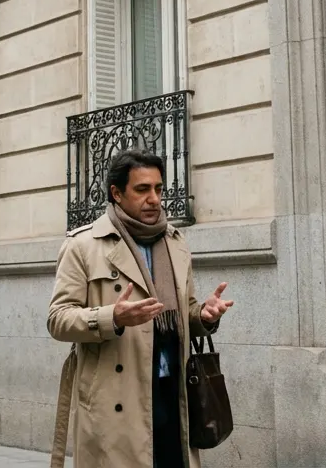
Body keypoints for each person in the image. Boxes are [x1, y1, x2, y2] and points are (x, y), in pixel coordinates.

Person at [47, 150, 234, 468]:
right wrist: (112, 317)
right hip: (116, 398)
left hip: (173, 390)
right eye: (142, 189)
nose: (154, 199)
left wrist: (203, 316)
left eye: (158, 189)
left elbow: (182, 310)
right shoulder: (84, 245)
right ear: (116, 193)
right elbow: (58, 319)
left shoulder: (175, 242)